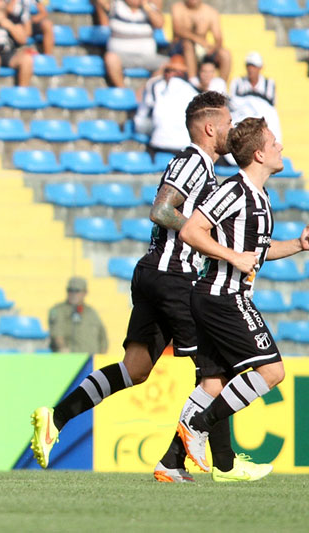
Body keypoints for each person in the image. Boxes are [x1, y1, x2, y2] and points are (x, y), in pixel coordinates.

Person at [31, 91, 270, 483]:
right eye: (227, 123)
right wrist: (200, 236)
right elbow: (160, 209)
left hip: (153, 274)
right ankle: (222, 464)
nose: (231, 130)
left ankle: (55, 418)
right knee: (215, 371)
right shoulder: (194, 161)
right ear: (210, 128)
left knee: (135, 369)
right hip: (173, 277)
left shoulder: (203, 168)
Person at [177, 117, 309, 481]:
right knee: (272, 371)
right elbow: (191, 230)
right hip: (223, 296)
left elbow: (259, 251)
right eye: (273, 142)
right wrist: (232, 257)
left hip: (220, 297)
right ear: (258, 153)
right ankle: (199, 425)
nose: (280, 146)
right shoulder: (233, 191)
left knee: (214, 384)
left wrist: (299, 245)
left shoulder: (260, 197)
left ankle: (173, 462)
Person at [133, 54, 198, 155]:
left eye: (175, 71)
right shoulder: (155, 86)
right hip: (164, 143)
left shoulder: (192, 89)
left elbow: (140, 119)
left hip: (178, 145)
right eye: (168, 70)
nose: (170, 75)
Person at [94, 0, 168, 88]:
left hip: (147, 57)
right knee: (110, 58)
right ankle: (124, 90)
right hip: (121, 56)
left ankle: (144, 91)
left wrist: (145, 6)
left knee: (169, 64)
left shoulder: (149, 8)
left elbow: (159, 23)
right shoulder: (115, 6)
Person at [170, 0, 231, 81]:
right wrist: (197, 39)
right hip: (180, 48)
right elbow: (178, 30)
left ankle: (221, 86)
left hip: (202, 49)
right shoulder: (178, 8)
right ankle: (193, 81)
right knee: (188, 44)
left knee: (225, 54)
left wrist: (212, 50)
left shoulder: (210, 12)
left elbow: (218, 39)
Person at [228, 51, 281, 144]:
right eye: (249, 66)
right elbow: (233, 106)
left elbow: (270, 108)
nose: (251, 69)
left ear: (260, 68)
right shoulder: (237, 82)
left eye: (254, 66)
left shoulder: (269, 84)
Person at [48, 276, 107, 354]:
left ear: (85, 292)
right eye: (70, 290)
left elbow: (102, 337)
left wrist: (101, 356)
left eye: (77, 291)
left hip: (92, 361)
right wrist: (63, 349)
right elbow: (57, 334)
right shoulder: (59, 310)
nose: (73, 294)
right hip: (71, 360)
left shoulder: (91, 312)